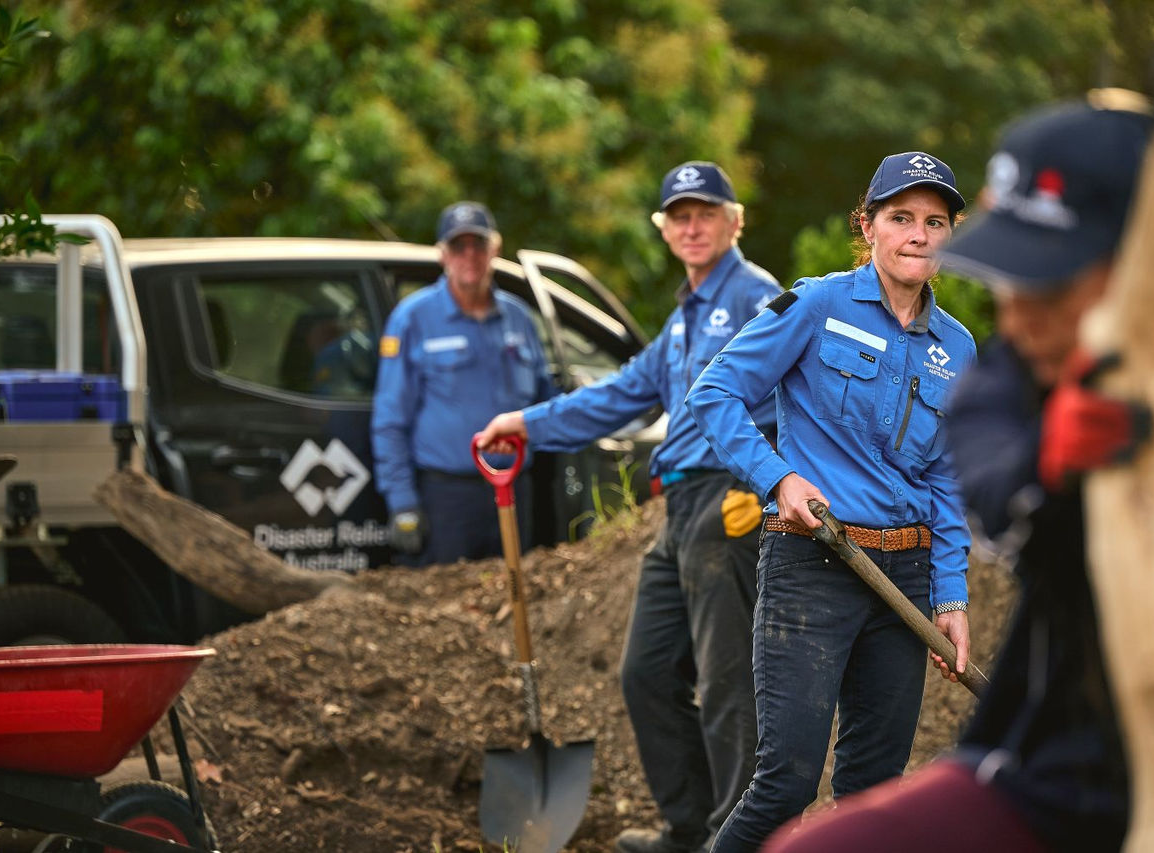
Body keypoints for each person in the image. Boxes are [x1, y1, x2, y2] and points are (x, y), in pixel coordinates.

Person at [758, 94, 1154, 853]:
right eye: (1007, 281)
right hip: (1059, 768)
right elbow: (979, 482)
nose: (1016, 317)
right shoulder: (1012, 372)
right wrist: (1049, 469)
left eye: (1048, 285)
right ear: (867, 224)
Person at [475, 161, 782, 853]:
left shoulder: (759, 299)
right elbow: (618, 395)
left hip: (729, 500)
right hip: (678, 509)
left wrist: (762, 483)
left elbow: (795, 395)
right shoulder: (682, 320)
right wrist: (524, 421)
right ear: (667, 230)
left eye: (706, 212)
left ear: (736, 222)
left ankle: (739, 837)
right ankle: (687, 827)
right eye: (680, 215)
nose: (693, 225)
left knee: (728, 679)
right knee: (645, 671)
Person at [684, 151, 976, 852]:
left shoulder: (958, 348)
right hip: (813, 565)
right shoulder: (816, 304)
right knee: (785, 782)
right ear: (867, 225)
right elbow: (714, 393)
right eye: (900, 217)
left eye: (934, 221)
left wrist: (952, 597)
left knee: (873, 796)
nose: (917, 234)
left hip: (901, 582)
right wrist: (778, 477)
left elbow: (948, 482)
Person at [371, 201, 554, 565]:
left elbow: (547, 398)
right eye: (458, 246)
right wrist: (403, 502)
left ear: (495, 250)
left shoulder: (519, 318)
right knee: (448, 616)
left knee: (515, 602)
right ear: (442, 254)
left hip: (515, 490)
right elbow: (390, 419)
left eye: (479, 244)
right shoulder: (413, 318)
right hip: (446, 498)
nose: (469, 255)